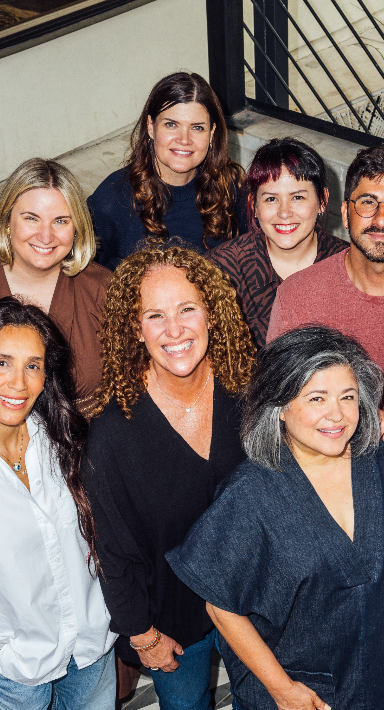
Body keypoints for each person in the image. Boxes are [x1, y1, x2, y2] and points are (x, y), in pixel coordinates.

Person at [167, 326, 384, 710]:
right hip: (298, 692)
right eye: (316, 398)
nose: (336, 415)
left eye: (347, 397)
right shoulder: (251, 492)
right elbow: (220, 605)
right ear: (281, 407)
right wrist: (283, 690)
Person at [81, 241, 255, 710]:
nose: (174, 329)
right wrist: (140, 633)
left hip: (253, 607)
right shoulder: (112, 434)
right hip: (171, 624)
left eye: (187, 309)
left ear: (212, 314)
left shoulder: (251, 393)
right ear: (134, 329)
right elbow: (112, 551)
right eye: (154, 315)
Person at [0, 298, 116, 709]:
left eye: (33, 365)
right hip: (15, 671)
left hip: (91, 650)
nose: (19, 383)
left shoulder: (62, 439)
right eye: (2, 363)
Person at [267, 143, 384, 412]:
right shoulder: (296, 298)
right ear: (346, 213)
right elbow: (279, 406)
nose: (382, 219)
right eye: (368, 203)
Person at [0, 158, 110, 414]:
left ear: (77, 228)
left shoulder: (106, 290)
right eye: (31, 218)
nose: (46, 236)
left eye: (61, 221)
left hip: (91, 443)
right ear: (7, 221)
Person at [88, 72, 245, 270]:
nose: (184, 139)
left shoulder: (230, 187)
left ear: (212, 133)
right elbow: (81, 280)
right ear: (151, 127)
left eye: (197, 128)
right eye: (171, 125)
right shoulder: (112, 200)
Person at [207, 138, 347, 348]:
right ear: (253, 205)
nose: (284, 212)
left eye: (298, 197)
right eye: (271, 199)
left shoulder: (350, 267)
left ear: (323, 201)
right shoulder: (222, 269)